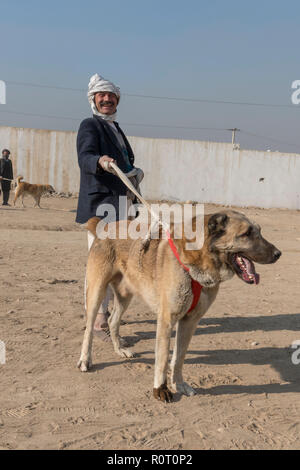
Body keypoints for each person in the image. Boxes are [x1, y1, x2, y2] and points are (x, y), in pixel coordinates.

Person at [76, 73, 143, 341]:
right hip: (101, 207)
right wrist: (99, 161)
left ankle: (110, 314)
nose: (107, 99)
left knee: (119, 264)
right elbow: (85, 157)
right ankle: (98, 320)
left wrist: (133, 172)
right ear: (93, 99)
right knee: (100, 264)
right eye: (101, 95)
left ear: (117, 100)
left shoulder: (115, 128)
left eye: (111, 96)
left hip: (121, 208)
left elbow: (124, 165)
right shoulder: (89, 126)